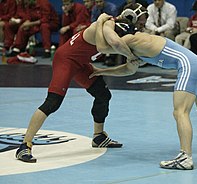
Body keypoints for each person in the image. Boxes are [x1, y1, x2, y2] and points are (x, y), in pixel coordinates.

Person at [89, 16, 197, 170]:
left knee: (180, 112)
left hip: (188, 66)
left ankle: (185, 157)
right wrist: (102, 71)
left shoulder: (133, 39)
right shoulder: (134, 47)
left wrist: (102, 20)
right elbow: (129, 70)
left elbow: (103, 47)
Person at [15, 4, 148, 163]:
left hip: (81, 63)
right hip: (66, 60)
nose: (143, 24)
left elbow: (128, 64)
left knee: (103, 94)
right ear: (130, 16)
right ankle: (24, 145)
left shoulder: (122, 29)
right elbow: (109, 44)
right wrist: (131, 55)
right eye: (141, 20)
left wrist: (112, 67)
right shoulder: (107, 23)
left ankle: (98, 136)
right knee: (52, 102)